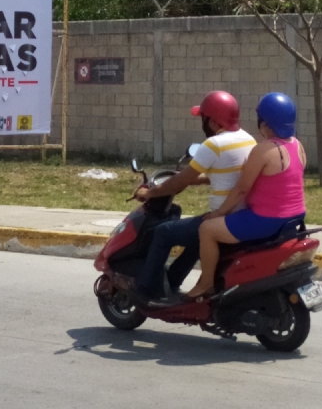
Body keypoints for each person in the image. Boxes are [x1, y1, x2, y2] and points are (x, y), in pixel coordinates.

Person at [130, 91, 257, 303]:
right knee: (195, 237)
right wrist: (196, 179)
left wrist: (149, 192)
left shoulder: (214, 145)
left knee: (162, 233)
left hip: (221, 219)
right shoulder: (247, 139)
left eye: (203, 118)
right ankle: (172, 281)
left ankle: (147, 290)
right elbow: (228, 172)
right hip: (241, 215)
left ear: (213, 120)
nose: (202, 123)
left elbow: (180, 181)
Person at [188, 92, 307, 299]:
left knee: (207, 229)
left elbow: (242, 189)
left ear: (266, 124)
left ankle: (207, 284)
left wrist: (219, 212)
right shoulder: (298, 145)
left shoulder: (263, 149)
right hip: (295, 218)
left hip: (265, 220)